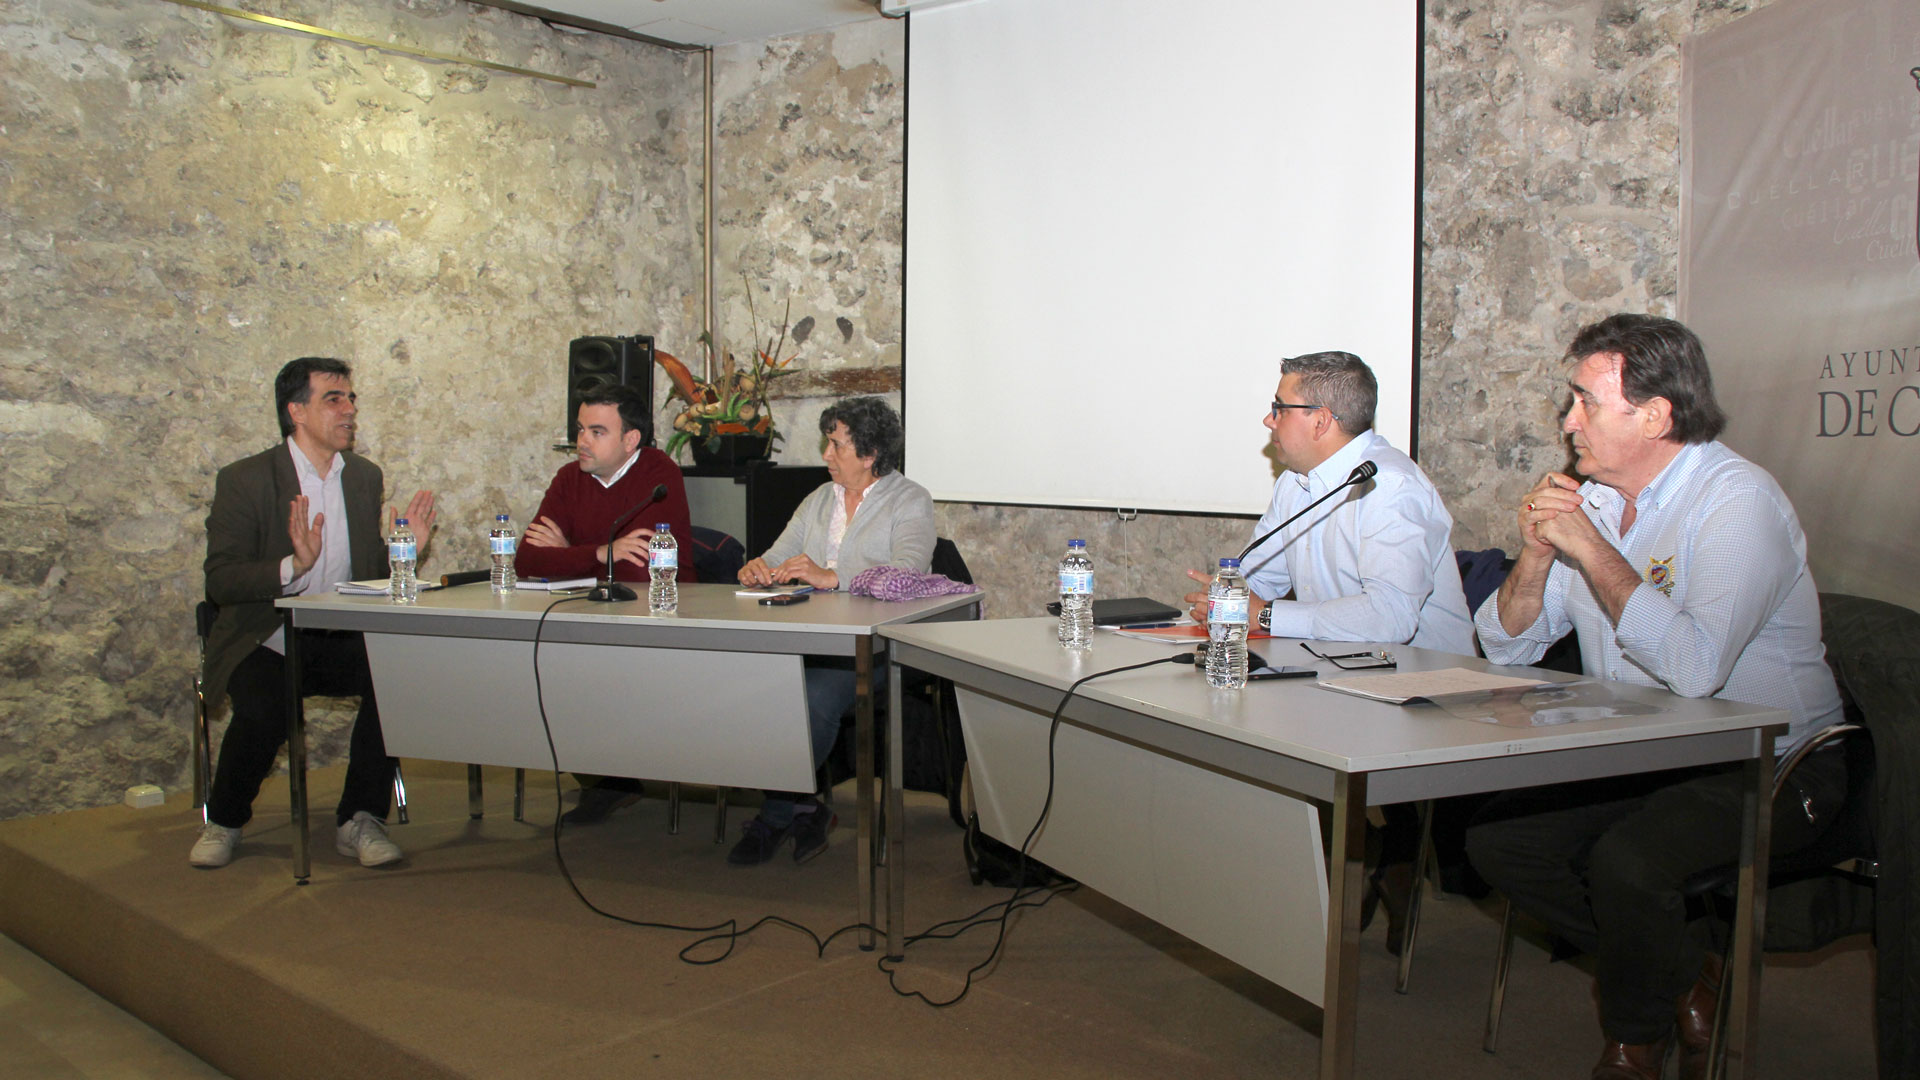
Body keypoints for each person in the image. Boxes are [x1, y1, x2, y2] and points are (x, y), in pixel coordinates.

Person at [1464, 314, 1846, 1080]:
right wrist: (1539, 557)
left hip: (1773, 760)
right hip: (1650, 748)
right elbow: (1504, 644)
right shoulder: (1597, 503)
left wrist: (1590, 549)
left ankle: (1634, 1042)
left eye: (1585, 404)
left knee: (1629, 864)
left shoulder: (1736, 503)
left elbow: (1697, 668)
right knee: (1498, 843)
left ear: (1656, 416)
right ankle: (1683, 967)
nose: (1568, 423)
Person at [1179, 351, 1476, 951]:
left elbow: (1392, 617)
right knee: (1240, 725)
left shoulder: (1388, 486)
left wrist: (1266, 615)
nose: (1268, 422)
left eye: (1278, 408)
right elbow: (1259, 576)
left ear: (1321, 419)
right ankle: (1341, 874)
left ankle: (1362, 867)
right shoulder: (1299, 483)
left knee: (1289, 743)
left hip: (1427, 688)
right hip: (1343, 668)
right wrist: (1226, 597)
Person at [193, 357, 435, 869]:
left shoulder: (364, 476)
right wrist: (292, 565)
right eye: (334, 399)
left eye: (351, 400)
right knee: (264, 711)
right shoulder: (245, 479)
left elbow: (366, 571)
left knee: (395, 684)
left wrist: (404, 552)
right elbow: (221, 579)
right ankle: (226, 819)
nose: (349, 410)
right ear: (296, 411)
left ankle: (361, 819)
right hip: (267, 634)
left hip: (342, 632)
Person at [731, 396, 935, 865]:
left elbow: (909, 572)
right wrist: (759, 569)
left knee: (815, 695)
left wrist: (833, 576)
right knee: (742, 682)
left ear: (869, 454)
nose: (826, 454)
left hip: (877, 648)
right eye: (828, 442)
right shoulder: (819, 498)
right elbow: (780, 555)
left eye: (837, 445)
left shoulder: (910, 500)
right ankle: (803, 805)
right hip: (809, 635)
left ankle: (779, 813)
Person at [516, 383, 696, 825]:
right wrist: (599, 553)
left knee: (585, 671)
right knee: (540, 665)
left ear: (630, 440)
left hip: (661, 619)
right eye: (580, 429)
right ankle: (605, 781)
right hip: (589, 616)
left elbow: (638, 573)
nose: (582, 441)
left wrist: (571, 552)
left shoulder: (658, 474)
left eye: (597, 431)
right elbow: (526, 560)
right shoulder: (568, 477)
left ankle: (615, 780)